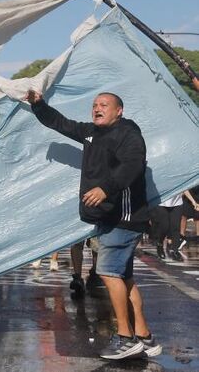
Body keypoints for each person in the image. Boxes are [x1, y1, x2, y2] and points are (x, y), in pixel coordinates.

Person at [24, 90, 160, 360]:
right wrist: (38, 104)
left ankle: (125, 338)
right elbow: (60, 124)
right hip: (108, 218)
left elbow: (133, 165)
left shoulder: (128, 133)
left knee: (108, 272)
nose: (97, 108)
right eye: (95, 105)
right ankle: (145, 337)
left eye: (104, 105)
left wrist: (105, 189)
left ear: (119, 110)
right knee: (125, 278)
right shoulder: (90, 132)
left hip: (124, 218)